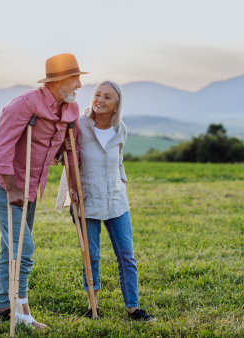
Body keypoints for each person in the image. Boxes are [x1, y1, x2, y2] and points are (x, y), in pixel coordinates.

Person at [0, 53, 87, 328]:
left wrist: (74, 189)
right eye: (75, 79)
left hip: (31, 187)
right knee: (23, 247)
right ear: (59, 81)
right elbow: (1, 148)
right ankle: (22, 313)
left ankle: (2, 309)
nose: (79, 85)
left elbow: (72, 151)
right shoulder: (25, 104)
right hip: (6, 183)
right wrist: (11, 188)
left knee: (11, 248)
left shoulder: (70, 110)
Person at [57, 80, 156, 322]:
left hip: (115, 200)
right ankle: (93, 307)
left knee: (126, 255)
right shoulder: (78, 125)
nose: (99, 100)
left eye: (107, 97)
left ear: (116, 106)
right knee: (91, 256)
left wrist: (122, 180)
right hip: (85, 198)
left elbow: (119, 157)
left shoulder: (120, 128)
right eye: (97, 95)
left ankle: (133, 308)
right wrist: (64, 148)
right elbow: (61, 155)